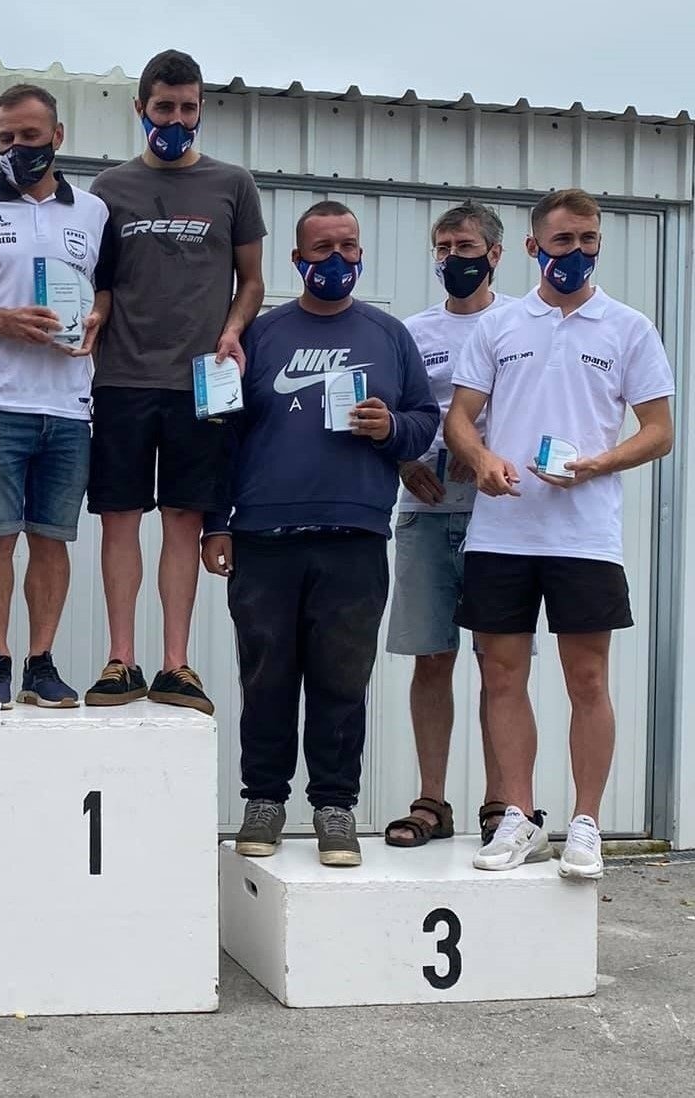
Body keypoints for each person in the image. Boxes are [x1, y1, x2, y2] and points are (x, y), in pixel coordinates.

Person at [446, 188, 674, 879]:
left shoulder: (628, 327)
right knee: (501, 676)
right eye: (562, 240)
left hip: (584, 536)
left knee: (588, 678)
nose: (575, 251)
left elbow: (660, 431)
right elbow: (459, 418)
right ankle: (519, 817)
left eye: (587, 239)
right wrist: (481, 459)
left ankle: (585, 824)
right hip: (502, 533)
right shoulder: (499, 325)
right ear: (531, 247)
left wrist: (599, 463)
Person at [203, 202, 438, 868]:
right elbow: (221, 436)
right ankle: (263, 802)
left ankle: (335, 808)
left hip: (354, 536)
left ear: (360, 254)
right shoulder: (259, 333)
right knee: (266, 677)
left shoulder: (389, 335)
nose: (336, 259)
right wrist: (216, 523)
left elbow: (425, 419)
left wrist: (391, 427)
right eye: (322, 248)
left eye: (347, 247)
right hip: (263, 537)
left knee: (342, 679)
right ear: (296, 259)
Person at [85, 49, 266, 715]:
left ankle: (174, 664)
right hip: (122, 377)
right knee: (119, 518)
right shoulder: (109, 188)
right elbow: (97, 281)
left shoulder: (233, 184)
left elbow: (252, 281)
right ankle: (120, 659)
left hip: (200, 382)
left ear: (200, 110)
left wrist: (232, 330)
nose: (176, 119)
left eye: (188, 108)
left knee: (183, 519)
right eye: (164, 107)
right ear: (141, 108)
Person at [0, 83, 113, 709]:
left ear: (57, 137)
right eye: (6, 137)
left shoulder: (93, 212)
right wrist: (2, 321)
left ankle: (41, 663)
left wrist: (96, 317)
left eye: (31, 136)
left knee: (51, 537)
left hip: (68, 403)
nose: (18, 147)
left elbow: (105, 288)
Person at [384, 203, 518, 849]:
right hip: (425, 506)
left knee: (499, 663)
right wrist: (404, 461)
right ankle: (431, 801)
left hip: (501, 515)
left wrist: (483, 454)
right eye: (442, 247)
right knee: (431, 658)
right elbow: (397, 413)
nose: (452, 258)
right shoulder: (413, 331)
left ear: (494, 254)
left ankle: (503, 803)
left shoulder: (519, 323)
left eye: (464, 246)